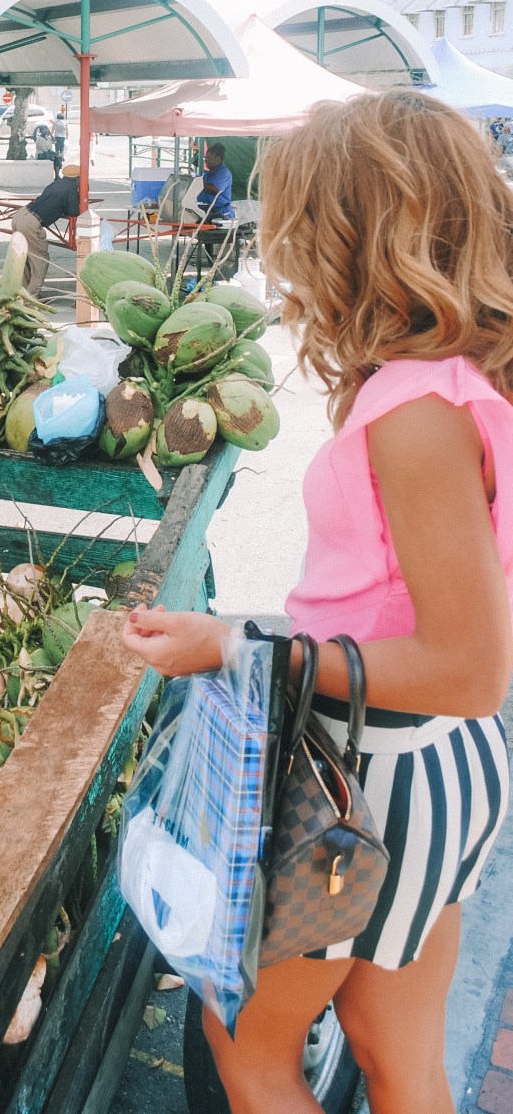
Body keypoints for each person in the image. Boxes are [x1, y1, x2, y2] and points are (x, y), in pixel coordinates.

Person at [122, 90, 513, 1114]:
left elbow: (471, 666)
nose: (281, 250)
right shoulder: (457, 377)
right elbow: (391, 606)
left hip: (362, 788)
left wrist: (239, 644)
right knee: (394, 1050)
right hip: (426, 772)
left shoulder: (416, 411)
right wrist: (246, 631)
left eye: (293, 222)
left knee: (244, 1043)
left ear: (349, 230)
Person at [10, 165, 81, 297]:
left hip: (20, 214)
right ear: (78, 179)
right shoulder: (71, 188)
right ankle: (30, 298)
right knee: (40, 262)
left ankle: (21, 293)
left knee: (24, 259)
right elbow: (74, 211)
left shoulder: (56, 183)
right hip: (32, 223)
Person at [196, 141, 234, 221]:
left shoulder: (223, 172)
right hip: (210, 210)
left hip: (221, 213)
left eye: (208, 158)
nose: (206, 161)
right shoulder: (209, 174)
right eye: (205, 158)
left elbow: (214, 188)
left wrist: (195, 183)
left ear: (217, 158)